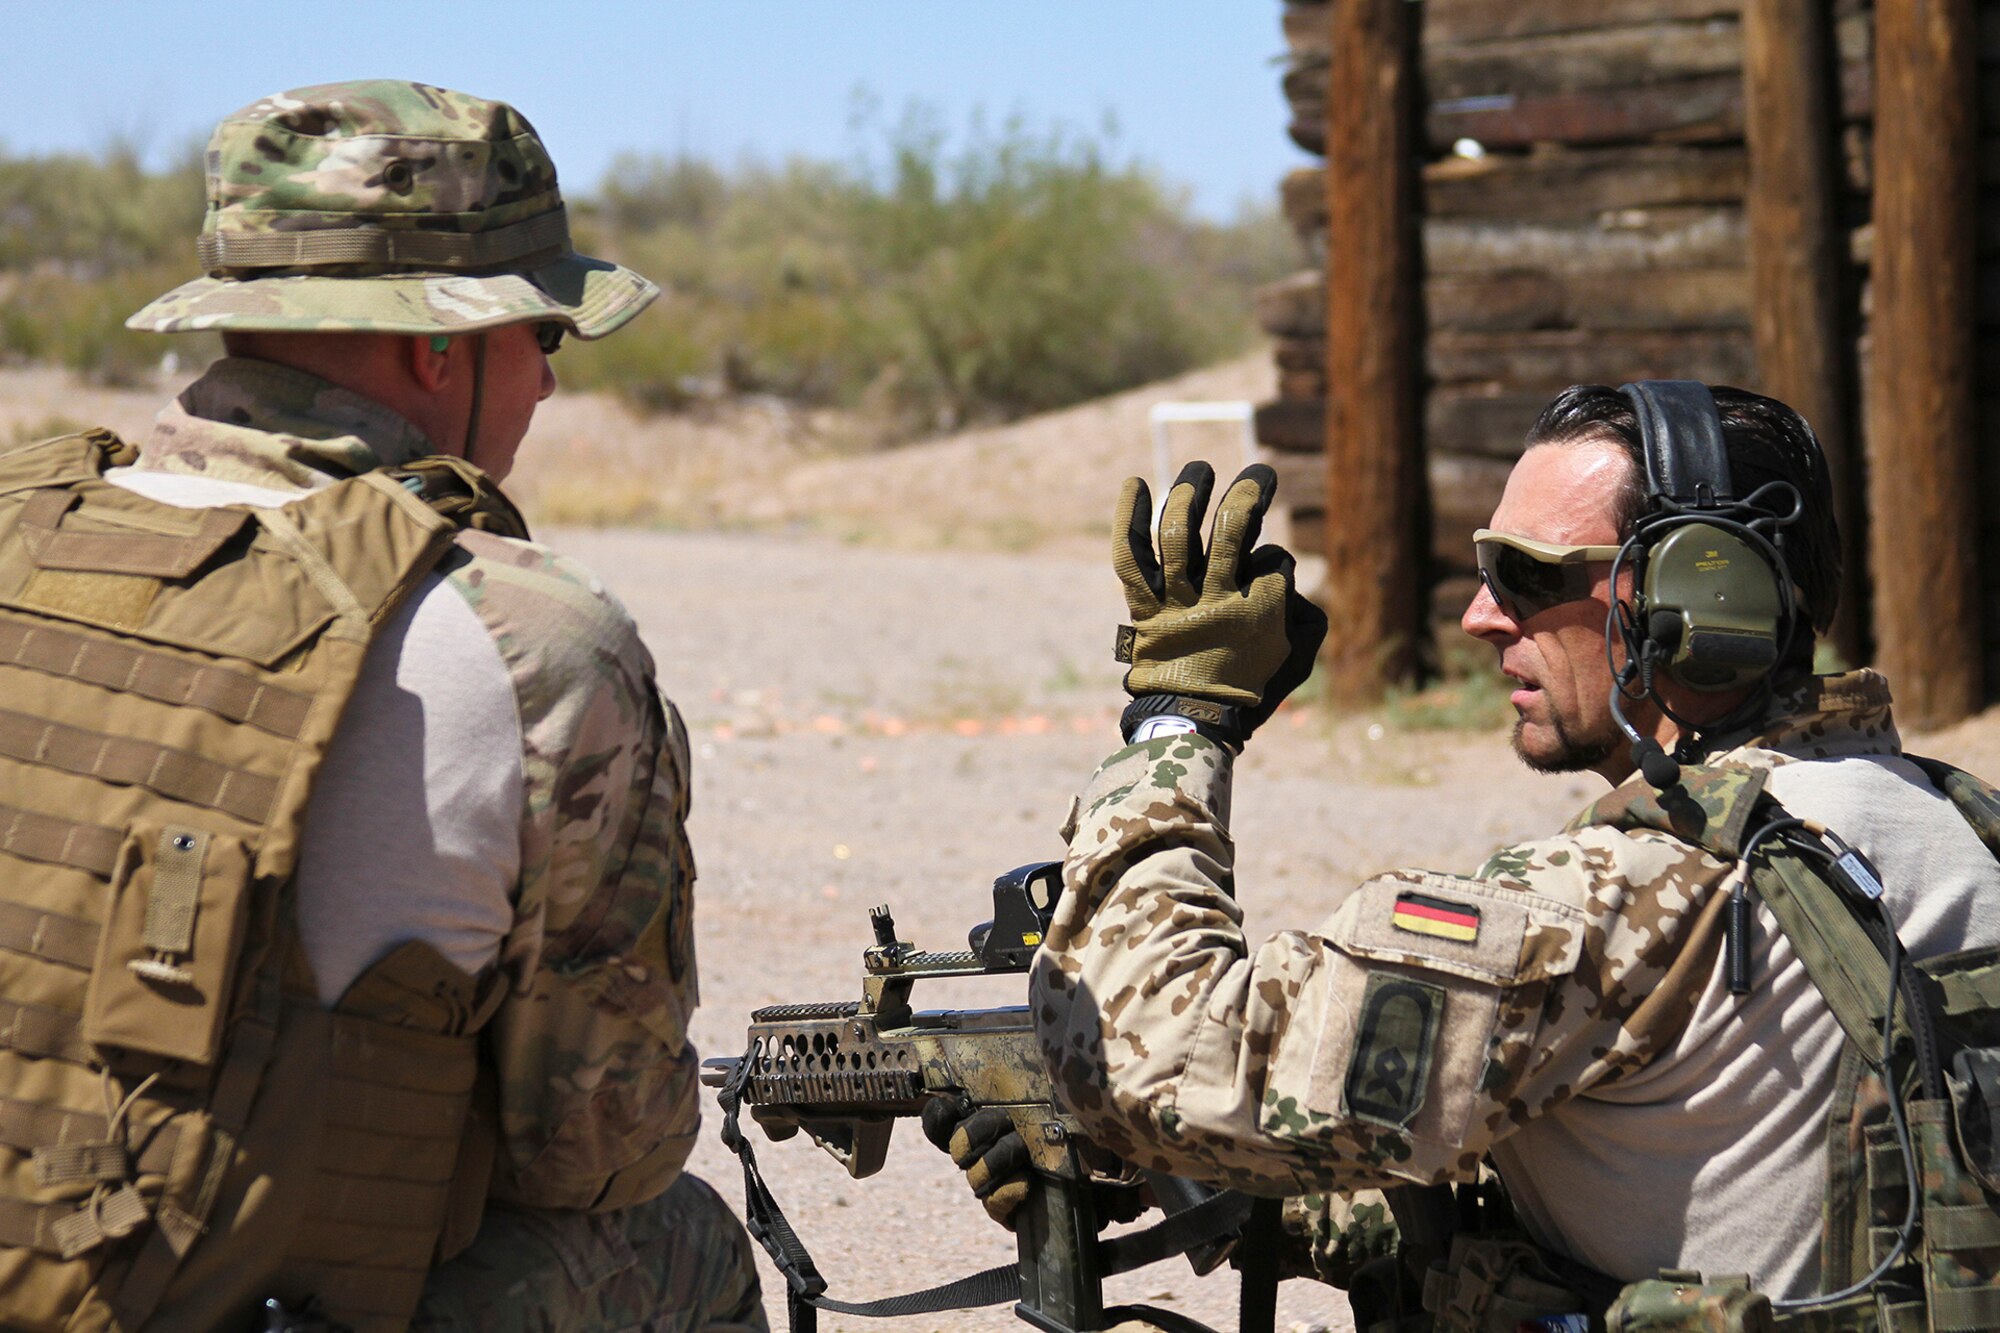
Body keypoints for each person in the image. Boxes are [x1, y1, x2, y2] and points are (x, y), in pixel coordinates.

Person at [940, 382, 2000, 1330]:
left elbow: (1154, 1053)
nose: (1479, 614)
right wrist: (1177, 1178)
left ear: (1697, 597)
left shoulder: (1625, 895)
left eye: (1528, 576)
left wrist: (1178, 730)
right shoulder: (1958, 826)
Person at [0, 81, 764, 1332]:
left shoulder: (19, 527)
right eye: (546, 340)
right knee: (671, 1241)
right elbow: (596, 1149)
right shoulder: (524, 634)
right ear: (440, 347)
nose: (549, 388)